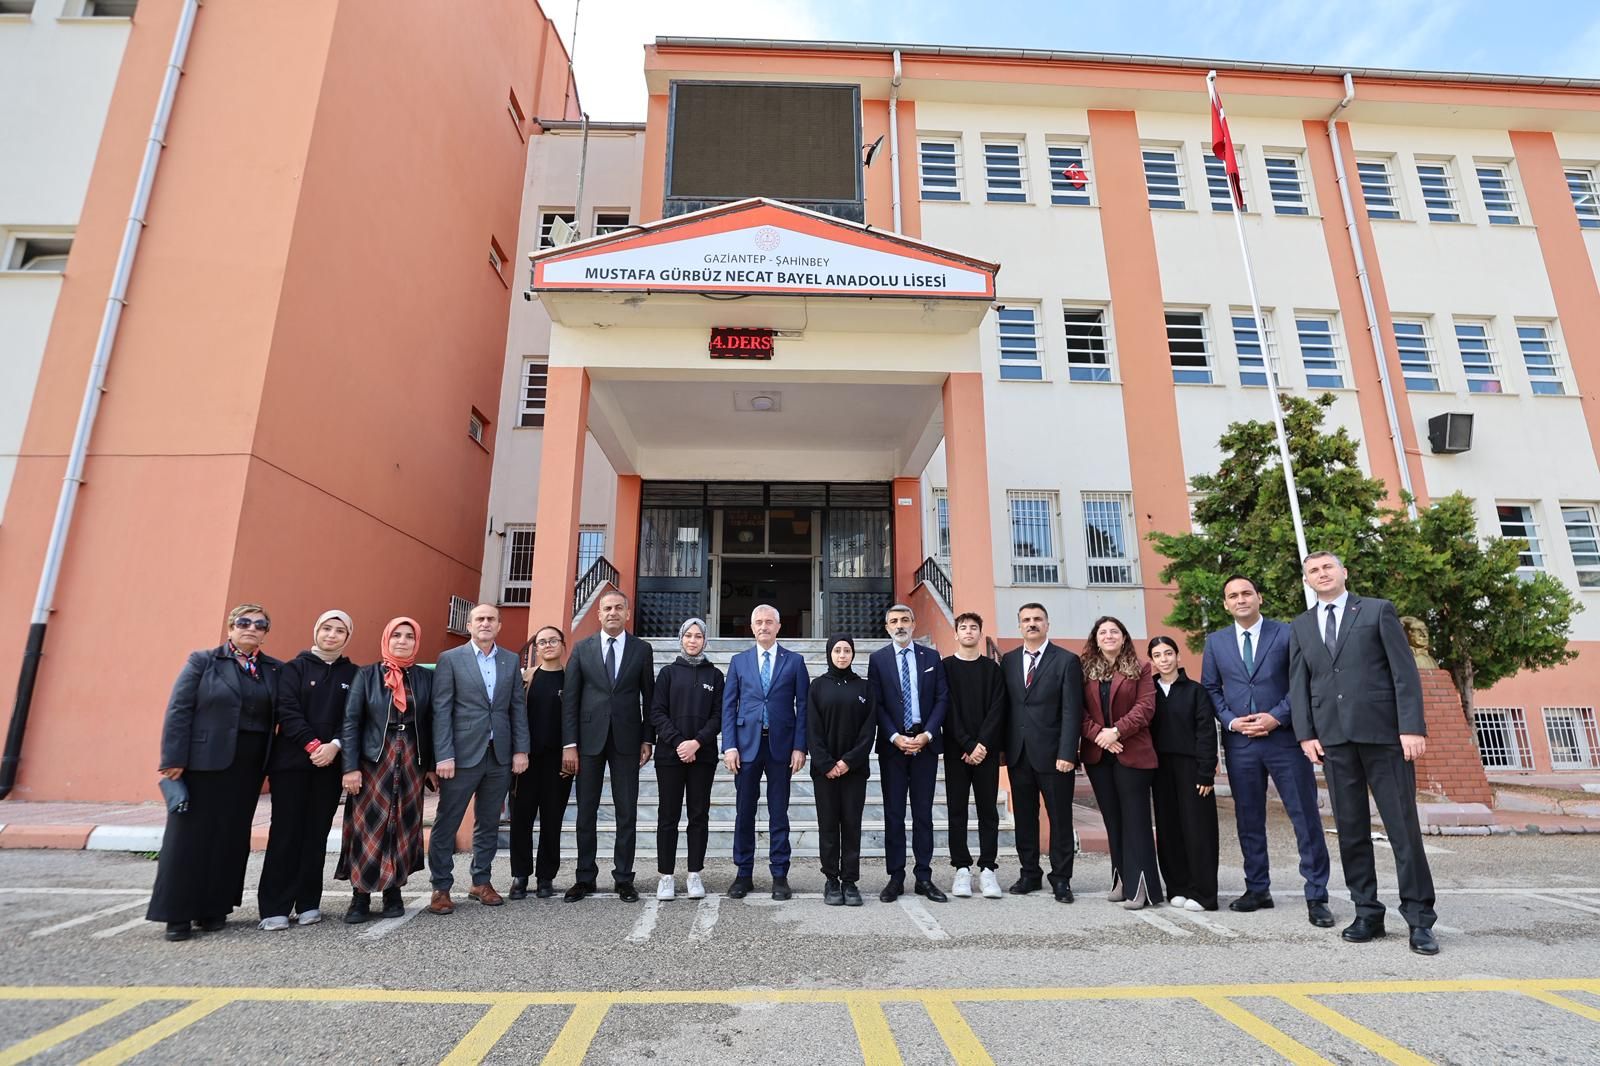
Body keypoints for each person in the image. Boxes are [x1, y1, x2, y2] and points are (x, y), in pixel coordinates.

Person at [1290, 551, 1438, 956]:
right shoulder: (1301, 625)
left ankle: (1419, 919)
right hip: (1334, 741)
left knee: (1402, 829)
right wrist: (1305, 734)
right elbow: (1299, 683)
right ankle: (1367, 912)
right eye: (1313, 570)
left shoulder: (1377, 611)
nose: (1321, 574)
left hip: (1384, 736)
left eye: (1327, 567)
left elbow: (1403, 672)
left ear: (1344, 572)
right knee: (1351, 831)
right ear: (1307, 580)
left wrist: (1411, 726)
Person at [1201, 574, 1333, 927]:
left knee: (1304, 817)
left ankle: (1317, 895)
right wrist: (1231, 721)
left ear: (1259, 598)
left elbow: (1301, 682)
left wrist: (1276, 717)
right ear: (1225, 604)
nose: (1240, 599)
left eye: (1247, 593)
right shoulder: (1216, 642)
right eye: (1233, 595)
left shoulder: (1287, 633)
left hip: (1284, 740)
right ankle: (1257, 888)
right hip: (1241, 744)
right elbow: (1211, 688)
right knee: (1249, 819)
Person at [149, 604, 283, 941]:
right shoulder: (203, 661)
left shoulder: (273, 669)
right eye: (244, 622)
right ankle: (177, 914)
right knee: (189, 838)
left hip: (248, 768)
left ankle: (214, 908)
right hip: (202, 763)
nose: (251, 628)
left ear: (265, 633)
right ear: (230, 628)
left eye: (259, 624)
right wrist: (173, 757)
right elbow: (179, 708)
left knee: (230, 837)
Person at [258, 610, 358, 931]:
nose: (331, 635)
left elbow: (353, 716)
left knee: (316, 834)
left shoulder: (354, 674)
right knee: (285, 833)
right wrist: (314, 745)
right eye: (326, 628)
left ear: (347, 637)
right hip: (291, 766)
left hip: (330, 767)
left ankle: (308, 902)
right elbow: (287, 711)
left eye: (339, 630)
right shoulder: (293, 669)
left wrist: (335, 747)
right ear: (316, 631)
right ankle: (274, 907)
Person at [428, 603, 529, 913]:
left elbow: (517, 708)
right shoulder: (450, 659)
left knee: (488, 822)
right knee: (447, 821)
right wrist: (443, 754)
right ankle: (441, 887)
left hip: (499, 755)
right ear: (469, 625)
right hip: (460, 756)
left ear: (499, 626)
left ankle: (481, 881)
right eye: (480, 619)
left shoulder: (510, 660)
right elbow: (441, 709)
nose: (485, 623)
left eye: (491, 619)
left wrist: (520, 749)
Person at [337, 617, 437, 923]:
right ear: (386, 639)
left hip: (411, 760)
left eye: (409, 636)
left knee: (402, 824)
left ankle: (393, 890)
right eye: (397, 635)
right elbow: (351, 722)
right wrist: (350, 767)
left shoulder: (425, 678)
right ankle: (360, 895)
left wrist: (431, 765)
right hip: (374, 761)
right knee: (368, 826)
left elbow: (432, 721)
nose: (402, 641)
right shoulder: (366, 675)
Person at [562, 590, 655, 902]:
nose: (613, 612)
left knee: (626, 811)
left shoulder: (642, 649)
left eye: (618, 608)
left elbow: (650, 697)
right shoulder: (582, 648)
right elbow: (570, 699)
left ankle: (624, 878)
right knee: (586, 811)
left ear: (627, 613)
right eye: (607, 608)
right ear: (598, 614)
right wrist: (569, 744)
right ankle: (584, 877)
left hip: (627, 740)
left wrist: (648, 738)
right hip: (588, 740)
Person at [722, 603, 808, 901]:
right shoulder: (739, 661)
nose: (763, 626)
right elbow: (728, 706)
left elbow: (803, 707)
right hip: (746, 746)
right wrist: (729, 745)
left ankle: (779, 874)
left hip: (781, 747)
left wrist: (800, 746)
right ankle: (743, 873)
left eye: (769, 621)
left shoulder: (795, 661)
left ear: (778, 626)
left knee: (778, 812)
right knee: (744, 812)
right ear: (751, 626)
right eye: (758, 622)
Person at [868, 603, 950, 903]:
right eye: (894, 621)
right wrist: (894, 736)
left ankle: (924, 877)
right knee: (894, 814)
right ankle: (896, 877)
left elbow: (942, 698)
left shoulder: (931, 657)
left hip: (924, 744)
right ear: (887, 627)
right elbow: (876, 703)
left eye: (905, 620)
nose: (900, 625)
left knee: (923, 814)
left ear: (914, 624)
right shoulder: (878, 660)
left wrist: (927, 734)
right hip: (893, 747)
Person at [1001, 602, 1083, 903]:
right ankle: (1029, 874)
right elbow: (1007, 707)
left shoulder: (1067, 661)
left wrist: (1068, 752)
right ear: (1019, 626)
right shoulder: (1009, 660)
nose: (1031, 623)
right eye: (1026, 619)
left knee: (1060, 818)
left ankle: (1061, 879)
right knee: (1024, 818)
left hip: (1054, 755)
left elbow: (1072, 710)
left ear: (1047, 624)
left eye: (1037, 619)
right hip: (1019, 753)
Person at [1080, 616, 1163, 910]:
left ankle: (1143, 887)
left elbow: (1145, 708)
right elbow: (1077, 710)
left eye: (1114, 631)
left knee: (1135, 821)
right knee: (1113, 820)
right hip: (1098, 755)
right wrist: (1099, 736)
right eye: (1102, 632)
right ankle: (1121, 879)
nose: (1108, 636)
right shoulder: (1085, 670)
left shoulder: (1141, 668)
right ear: (1096, 639)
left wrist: (1115, 732)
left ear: (1124, 637)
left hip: (1133, 752)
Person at [649, 617, 724, 901]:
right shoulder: (667, 673)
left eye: (698, 636)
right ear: (681, 639)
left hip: (703, 756)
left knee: (698, 815)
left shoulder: (715, 676)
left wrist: (697, 743)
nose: (693, 640)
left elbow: (719, 715)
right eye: (688, 635)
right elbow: (657, 712)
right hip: (670, 755)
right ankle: (666, 876)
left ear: (705, 640)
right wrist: (680, 742)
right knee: (668, 816)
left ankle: (694, 873)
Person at [1148, 636, 1219, 913]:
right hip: (1160, 769)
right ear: (1152, 661)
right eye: (1157, 655)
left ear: (1178, 657)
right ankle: (1177, 887)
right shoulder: (1148, 691)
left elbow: (1206, 733)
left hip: (1192, 768)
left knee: (1198, 829)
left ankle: (1204, 894)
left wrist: (1206, 772)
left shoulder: (1195, 691)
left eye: (1168, 653)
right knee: (1169, 829)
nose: (1164, 659)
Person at [941, 611, 1007, 899]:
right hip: (956, 750)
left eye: (973, 627)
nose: (968, 631)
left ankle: (988, 868)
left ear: (980, 633)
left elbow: (998, 709)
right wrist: (968, 744)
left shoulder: (993, 669)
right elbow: (946, 708)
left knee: (988, 811)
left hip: (986, 752)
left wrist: (981, 744)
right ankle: (961, 869)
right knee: (956, 811)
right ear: (955, 634)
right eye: (963, 627)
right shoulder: (945, 667)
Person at [808, 634, 876, 907]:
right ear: (829, 653)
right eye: (837, 650)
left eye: (847, 650)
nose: (842, 655)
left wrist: (848, 762)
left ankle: (849, 881)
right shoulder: (817, 686)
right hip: (824, 772)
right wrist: (826, 763)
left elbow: (868, 730)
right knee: (827, 825)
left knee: (851, 825)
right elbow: (812, 729)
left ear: (853, 654)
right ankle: (831, 880)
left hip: (854, 771)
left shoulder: (864, 687)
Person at [508, 625, 574, 900]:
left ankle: (546, 876)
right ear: (536, 648)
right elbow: (513, 716)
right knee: (520, 819)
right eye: (542, 642)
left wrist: (572, 751)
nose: (547, 645)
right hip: (525, 761)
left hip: (558, 762)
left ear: (562, 645)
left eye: (553, 640)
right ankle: (520, 875)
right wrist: (516, 752)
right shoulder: (526, 678)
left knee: (551, 819)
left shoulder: (571, 679)